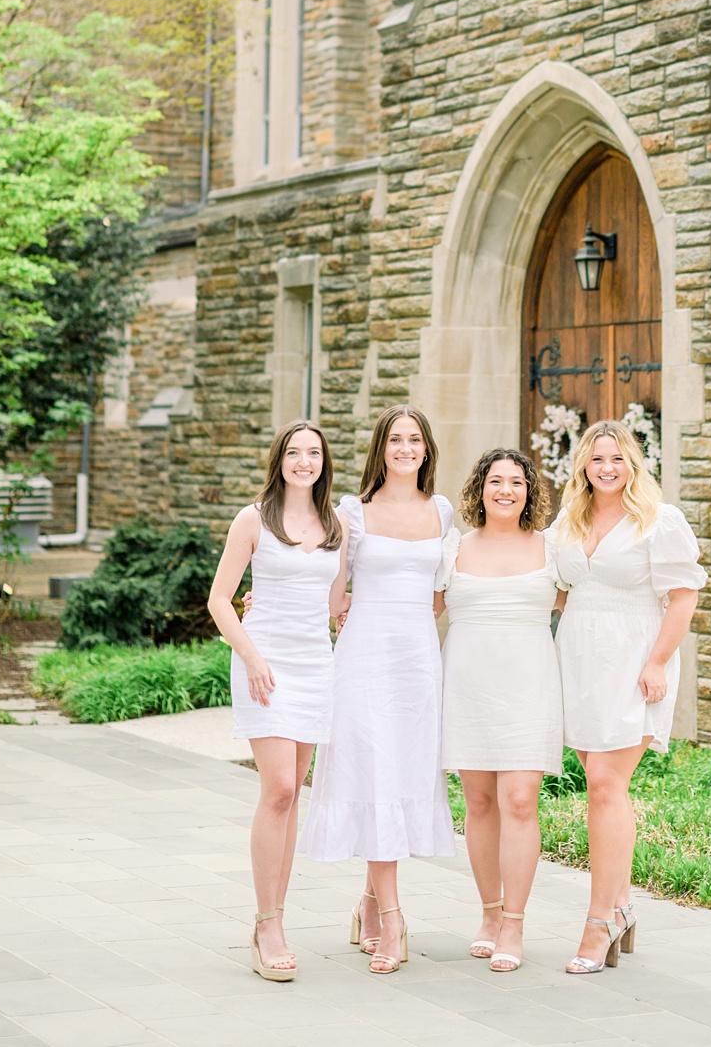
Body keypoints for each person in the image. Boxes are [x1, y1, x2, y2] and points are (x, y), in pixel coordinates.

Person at [297, 404, 456, 973]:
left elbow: (441, 597)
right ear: (380, 449)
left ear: (426, 448)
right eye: (396, 440)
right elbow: (332, 595)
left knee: (400, 773)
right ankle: (393, 919)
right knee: (373, 771)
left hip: (417, 661)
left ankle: (367, 901)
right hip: (363, 658)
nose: (406, 449)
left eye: (415, 439)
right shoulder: (352, 512)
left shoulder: (442, 511)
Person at [550, 419, 702, 975]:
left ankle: (598, 923)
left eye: (616, 459)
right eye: (596, 460)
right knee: (602, 784)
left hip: (635, 661)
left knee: (605, 785)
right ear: (583, 468)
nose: (606, 468)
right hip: (580, 663)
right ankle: (622, 906)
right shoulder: (568, 521)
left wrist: (657, 661)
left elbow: (683, 598)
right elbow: (558, 592)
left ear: (633, 463)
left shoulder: (658, 522)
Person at [207, 420, 347, 982]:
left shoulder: (334, 526)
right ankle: (267, 925)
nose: (304, 461)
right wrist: (253, 658)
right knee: (280, 788)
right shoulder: (253, 518)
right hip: (264, 665)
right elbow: (219, 601)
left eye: (313, 453)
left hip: (316, 666)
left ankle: (277, 918)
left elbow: (337, 602)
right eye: (294, 452)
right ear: (279, 459)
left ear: (323, 463)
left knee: (294, 797)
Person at [438, 445, 562, 975]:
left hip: (529, 684)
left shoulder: (553, 548)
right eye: (495, 481)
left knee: (518, 799)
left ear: (529, 490)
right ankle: (489, 914)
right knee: (480, 801)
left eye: (516, 481)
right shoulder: (454, 548)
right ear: (480, 490)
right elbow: (411, 603)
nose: (505, 490)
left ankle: (514, 921)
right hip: (467, 685)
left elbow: (595, 598)